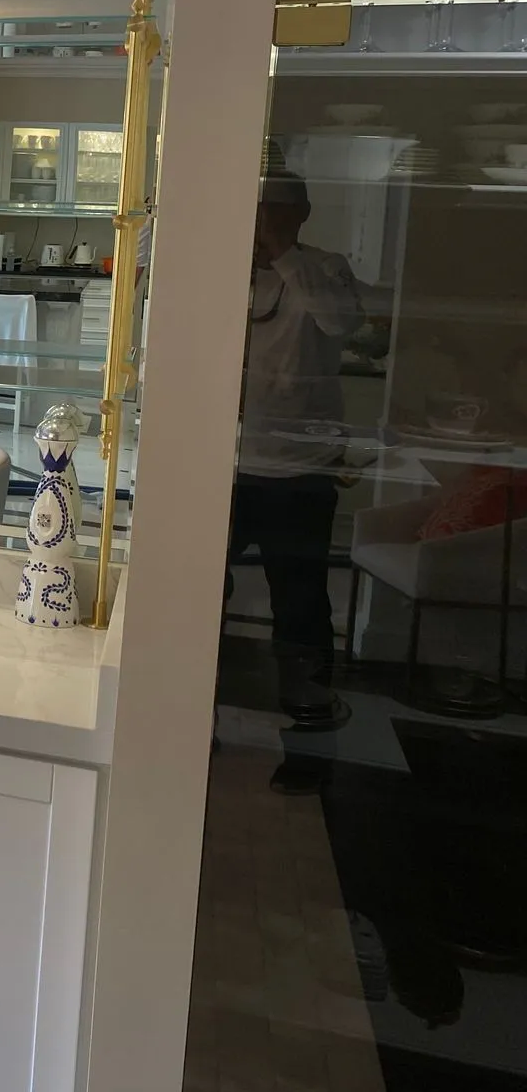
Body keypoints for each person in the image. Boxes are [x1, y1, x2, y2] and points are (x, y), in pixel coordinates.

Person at [226, 169, 363, 734]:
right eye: (259, 213)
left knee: (300, 593)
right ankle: (194, 697)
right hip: (225, 464)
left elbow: (342, 321)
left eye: (278, 214)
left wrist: (282, 251)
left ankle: (308, 705)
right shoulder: (224, 265)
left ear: (302, 215)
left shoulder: (324, 268)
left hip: (299, 467)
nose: (264, 225)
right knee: (199, 584)